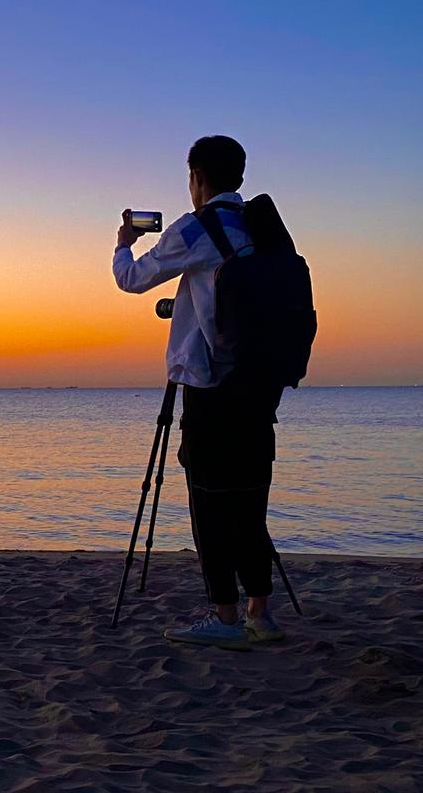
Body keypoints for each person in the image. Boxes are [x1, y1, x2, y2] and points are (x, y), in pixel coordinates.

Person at [112, 134, 285, 649]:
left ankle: (226, 617)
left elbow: (132, 279)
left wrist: (124, 240)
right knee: (250, 503)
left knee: (209, 505)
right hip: (259, 385)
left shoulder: (197, 228)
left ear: (197, 178)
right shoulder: (258, 227)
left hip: (210, 389)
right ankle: (260, 612)